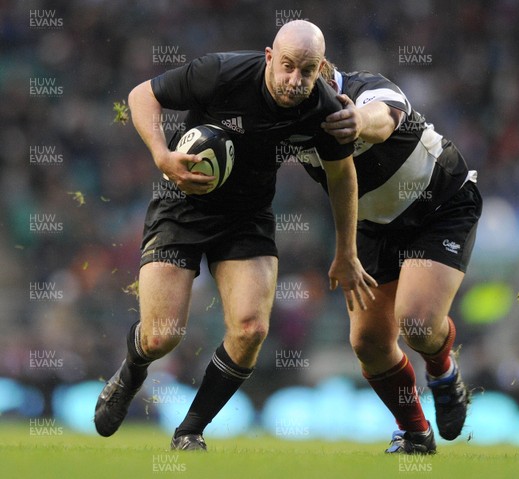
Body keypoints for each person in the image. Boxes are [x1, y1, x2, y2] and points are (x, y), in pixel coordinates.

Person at [94, 21, 376, 451]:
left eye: (306, 71)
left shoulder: (324, 108)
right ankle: (132, 370)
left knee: (250, 329)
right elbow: (141, 95)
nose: (294, 80)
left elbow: (342, 177)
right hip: (182, 207)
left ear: (320, 69)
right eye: (286, 67)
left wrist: (346, 252)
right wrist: (162, 157)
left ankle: (189, 431)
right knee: (161, 336)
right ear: (268, 57)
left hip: (247, 218)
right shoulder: (220, 73)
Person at [301, 60, 483, 454]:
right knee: (368, 342)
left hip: (439, 207)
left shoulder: (369, 87)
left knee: (416, 323)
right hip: (373, 223)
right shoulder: (287, 116)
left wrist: (355, 121)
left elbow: (382, 117)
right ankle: (416, 434)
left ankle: (442, 371)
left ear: (326, 77)